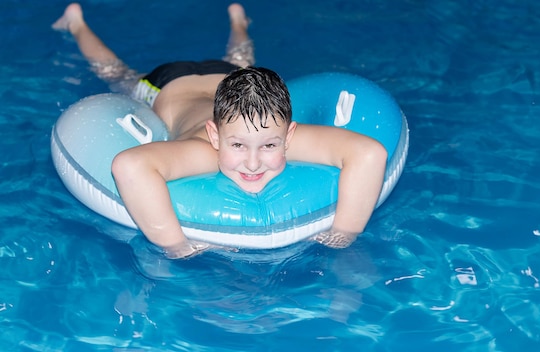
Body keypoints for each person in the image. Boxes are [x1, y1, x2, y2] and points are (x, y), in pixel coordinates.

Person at [52, 3, 387, 259]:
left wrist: (344, 233)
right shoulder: (205, 149)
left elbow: (372, 155)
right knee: (118, 76)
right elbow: (128, 166)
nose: (252, 163)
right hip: (165, 84)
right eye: (237, 145)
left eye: (270, 145)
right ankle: (77, 22)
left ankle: (238, 20)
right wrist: (177, 245)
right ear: (215, 136)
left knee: (241, 66)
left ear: (289, 135)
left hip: (225, 80)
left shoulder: (267, 134)